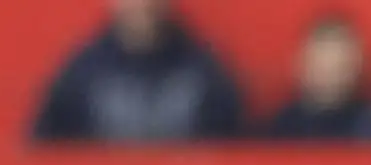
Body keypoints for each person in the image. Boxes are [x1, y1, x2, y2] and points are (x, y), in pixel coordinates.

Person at [30, 0, 243, 143]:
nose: (142, 4)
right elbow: (43, 155)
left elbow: (236, 154)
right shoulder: (81, 76)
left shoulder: (205, 75)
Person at [264, 16, 371, 143]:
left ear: (357, 67)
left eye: (339, 66)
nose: (329, 76)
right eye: (321, 65)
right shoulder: (281, 127)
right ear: (301, 65)